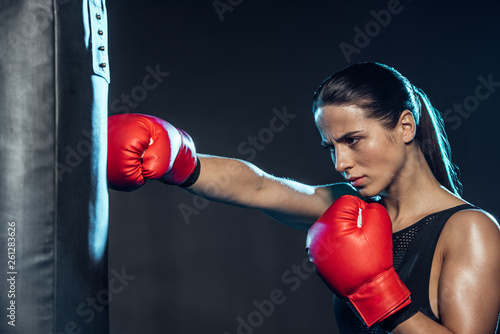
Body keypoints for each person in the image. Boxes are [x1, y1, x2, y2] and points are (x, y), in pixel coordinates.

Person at [107, 62, 500, 333]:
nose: (341, 162)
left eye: (353, 140)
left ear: (406, 126)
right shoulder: (353, 210)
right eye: (331, 147)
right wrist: (179, 159)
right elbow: (260, 186)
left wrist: (380, 295)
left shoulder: (470, 230)